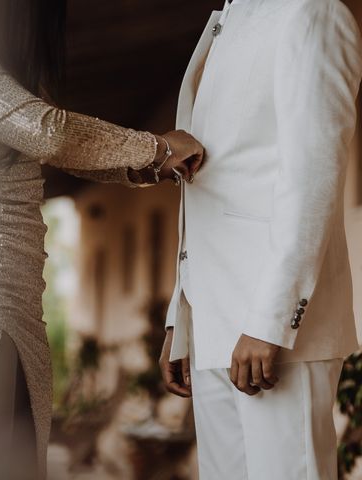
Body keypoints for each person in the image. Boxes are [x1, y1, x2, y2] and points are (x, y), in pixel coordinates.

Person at [0, 0, 205, 478]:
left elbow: (47, 143)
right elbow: (49, 134)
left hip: (8, 289)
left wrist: (151, 162)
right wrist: (156, 146)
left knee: (9, 443)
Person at [159, 0, 362, 478]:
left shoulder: (313, 12)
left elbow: (313, 176)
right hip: (211, 321)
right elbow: (208, 192)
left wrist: (270, 320)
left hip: (275, 331)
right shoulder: (227, 18)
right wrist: (181, 317)